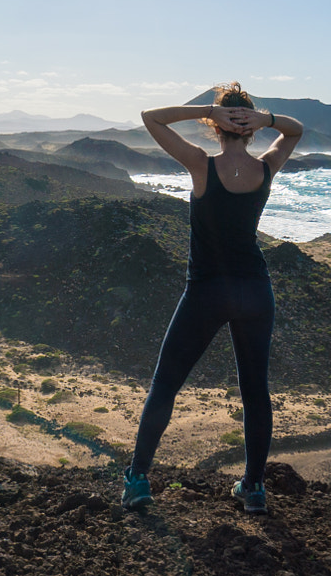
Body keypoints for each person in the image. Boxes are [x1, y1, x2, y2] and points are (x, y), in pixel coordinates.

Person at [122, 84, 302, 515]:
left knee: (166, 384)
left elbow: (151, 117)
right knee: (255, 391)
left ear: (216, 126)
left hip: (206, 292)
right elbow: (295, 131)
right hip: (256, 291)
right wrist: (268, 120)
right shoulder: (265, 167)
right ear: (251, 128)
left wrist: (207, 110)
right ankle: (253, 489)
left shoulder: (201, 165)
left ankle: (138, 480)